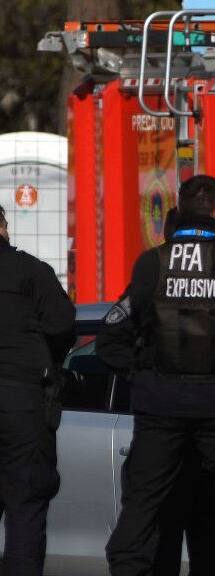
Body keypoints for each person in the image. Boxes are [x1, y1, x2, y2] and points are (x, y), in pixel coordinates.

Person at [96, 175, 215, 576]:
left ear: (180, 208)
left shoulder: (151, 264)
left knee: (143, 505)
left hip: (161, 406)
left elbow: (113, 334)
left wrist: (143, 373)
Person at [0, 203, 76, 575]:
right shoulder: (31, 271)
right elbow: (63, 326)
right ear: (3, 227)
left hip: (21, 396)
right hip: (21, 404)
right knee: (26, 505)